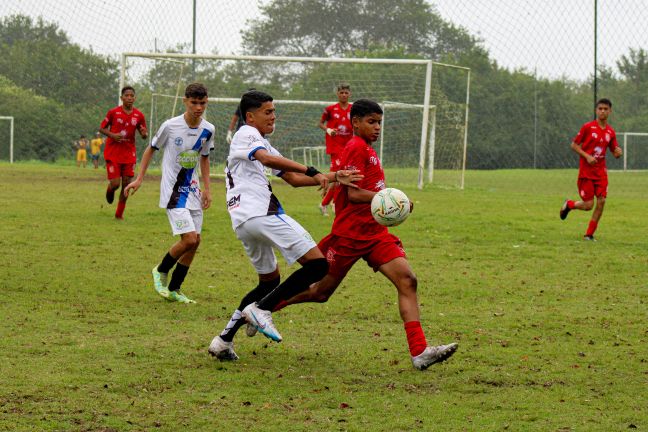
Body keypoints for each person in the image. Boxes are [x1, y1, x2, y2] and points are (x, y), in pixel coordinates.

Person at [236, 99, 458, 371]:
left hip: (375, 234)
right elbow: (353, 195)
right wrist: (391, 199)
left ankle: (420, 351)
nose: (377, 127)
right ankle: (263, 309)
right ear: (355, 122)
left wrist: (392, 202)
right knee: (319, 292)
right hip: (349, 236)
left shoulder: (368, 149)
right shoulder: (354, 147)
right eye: (371, 122)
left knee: (408, 280)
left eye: (379, 122)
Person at [208, 90, 362, 360]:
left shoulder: (260, 142)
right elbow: (270, 161)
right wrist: (311, 169)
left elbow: (291, 177)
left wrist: (335, 176)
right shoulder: (246, 134)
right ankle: (261, 310)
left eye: (273, 111)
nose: (273, 116)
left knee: (269, 281)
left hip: (244, 220)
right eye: (268, 111)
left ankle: (223, 340)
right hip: (261, 213)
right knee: (317, 265)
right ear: (250, 116)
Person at [124, 83, 214, 303]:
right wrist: (139, 178)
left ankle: (175, 289)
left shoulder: (209, 129)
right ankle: (161, 269)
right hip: (173, 191)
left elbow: (204, 158)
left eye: (202, 103)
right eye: (194, 102)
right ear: (185, 101)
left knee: (196, 241)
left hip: (192, 190)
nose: (198, 107)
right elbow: (150, 149)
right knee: (189, 238)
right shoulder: (170, 126)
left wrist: (207, 189)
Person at [560, 98, 622, 240]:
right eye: (600, 108)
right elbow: (574, 145)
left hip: (601, 172)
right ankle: (569, 204)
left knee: (601, 201)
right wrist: (587, 156)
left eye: (605, 109)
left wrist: (618, 153)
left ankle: (589, 234)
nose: (602, 111)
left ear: (610, 111)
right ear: (596, 110)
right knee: (588, 205)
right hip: (586, 172)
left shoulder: (610, 132)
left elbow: (614, 151)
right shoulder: (588, 127)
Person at [99, 86, 148, 220]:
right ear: (121, 98)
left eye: (132, 96)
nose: (129, 98)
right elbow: (102, 128)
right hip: (113, 152)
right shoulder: (113, 112)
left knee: (126, 185)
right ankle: (110, 189)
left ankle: (119, 215)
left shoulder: (139, 115)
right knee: (116, 184)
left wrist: (144, 134)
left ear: (134, 98)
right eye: (127, 95)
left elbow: (143, 133)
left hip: (128, 154)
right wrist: (112, 135)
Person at [317, 82, 353, 216]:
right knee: (338, 176)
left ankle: (327, 203)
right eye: (341, 92)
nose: (344, 95)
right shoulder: (330, 109)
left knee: (342, 177)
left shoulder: (353, 109)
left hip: (349, 146)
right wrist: (329, 129)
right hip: (335, 146)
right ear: (337, 94)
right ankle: (330, 203)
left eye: (346, 92)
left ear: (350, 94)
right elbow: (320, 123)